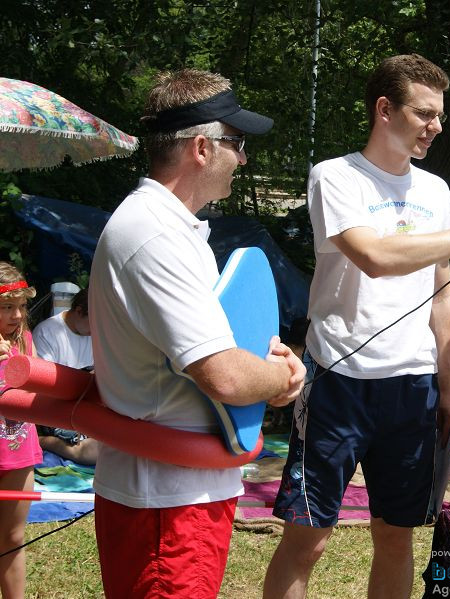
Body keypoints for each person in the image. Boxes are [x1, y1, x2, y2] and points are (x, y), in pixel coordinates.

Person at [263, 54, 450, 599]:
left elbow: (441, 290)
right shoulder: (335, 176)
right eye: (425, 113)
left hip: (412, 387)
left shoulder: (434, 191)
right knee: (308, 537)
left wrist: (449, 386)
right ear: (385, 110)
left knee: (396, 535)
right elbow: (375, 255)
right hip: (336, 380)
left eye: (440, 115)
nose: (437, 126)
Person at [88, 69, 306, 599]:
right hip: (165, 503)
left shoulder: (166, 227)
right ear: (202, 148)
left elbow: (219, 352)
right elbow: (225, 376)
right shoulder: (156, 236)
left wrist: (265, 361)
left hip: (176, 492)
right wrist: (280, 374)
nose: (244, 158)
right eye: (237, 144)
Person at [0, 262, 42, 599]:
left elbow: (38, 396)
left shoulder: (25, 341)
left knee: (13, 537)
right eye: (7, 307)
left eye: (22, 306)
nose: (16, 315)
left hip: (19, 452)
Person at [32, 288, 98, 464]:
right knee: (93, 452)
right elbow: (45, 388)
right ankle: (42, 441)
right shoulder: (47, 332)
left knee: (114, 445)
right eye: (94, 321)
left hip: (87, 407)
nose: (97, 328)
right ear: (78, 311)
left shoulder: (97, 335)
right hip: (57, 410)